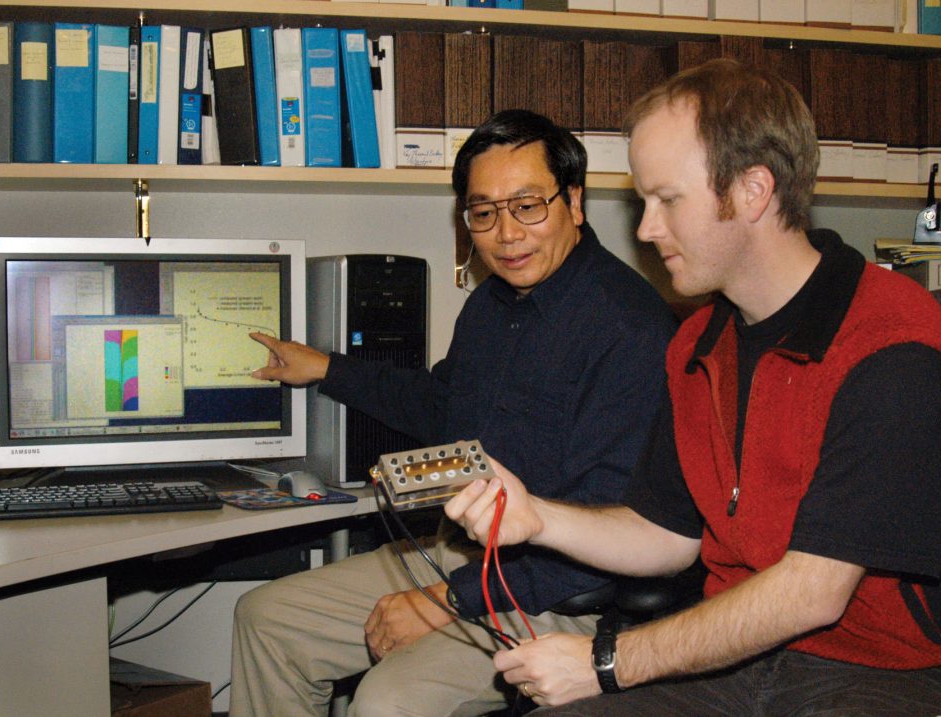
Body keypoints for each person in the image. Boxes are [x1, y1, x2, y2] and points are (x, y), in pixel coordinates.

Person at [445, 58, 941, 716]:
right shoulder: (698, 344)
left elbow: (812, 591)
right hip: (733, 660)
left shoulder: (892, 344)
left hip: (880, 675)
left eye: (667, 200)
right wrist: (539, 515)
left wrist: (605, 660)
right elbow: (668, 535)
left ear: (754, 191)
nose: (645, 229)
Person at [228, 109, 677, 717]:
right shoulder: (495, 303)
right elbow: (442, 403)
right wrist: (326, 368)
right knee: (266, 620)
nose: (506, 233)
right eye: (483, 212)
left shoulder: (629, 330)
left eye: (528, 205)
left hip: (556, 593)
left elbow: (606, 536)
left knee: (386, 702)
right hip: (464, 555)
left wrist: (447, 600)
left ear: (574, 202)